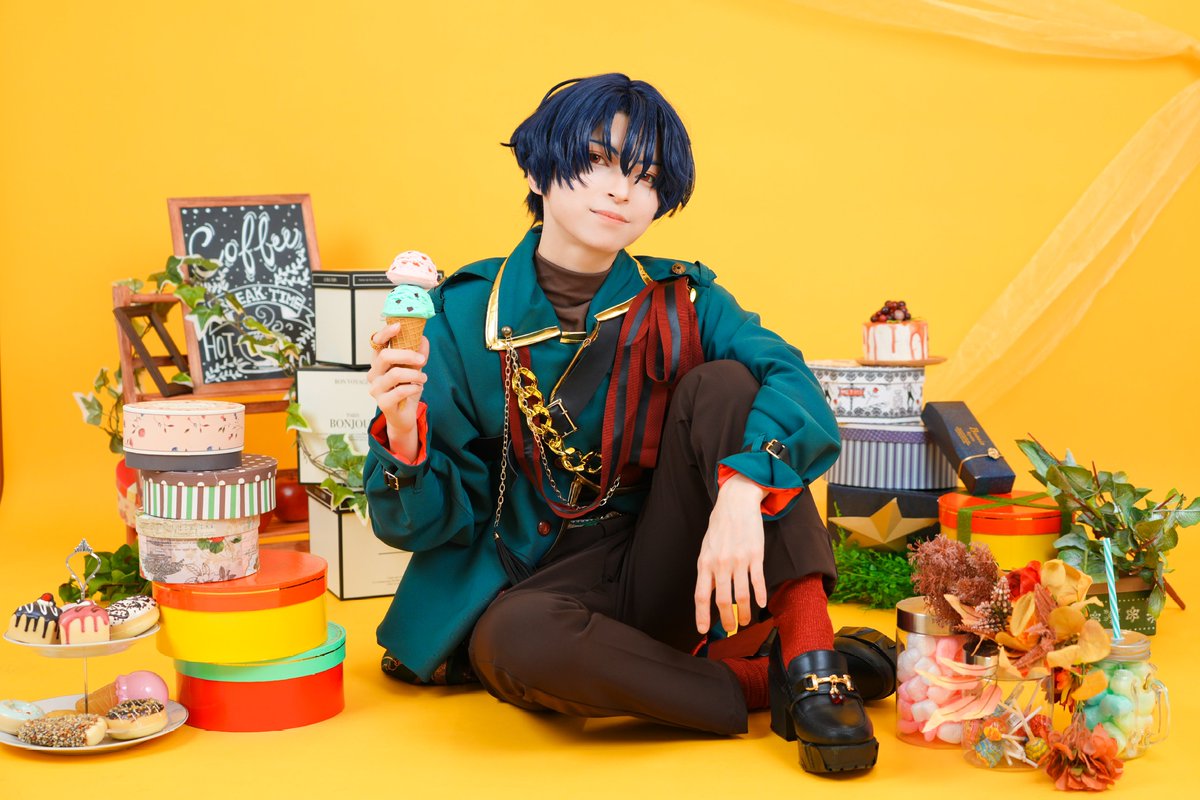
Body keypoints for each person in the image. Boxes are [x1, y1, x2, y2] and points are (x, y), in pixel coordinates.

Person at [364, 73, 895, 774]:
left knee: (728, 383)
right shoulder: (461, 315)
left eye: (645, 177)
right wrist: (403, 431)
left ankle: (815, 664)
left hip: (670, 559)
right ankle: (765, 683)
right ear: (536, 170)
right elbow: (423, 529)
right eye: (598, 160)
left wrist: (742, 492)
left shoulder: (686, 298)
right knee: (513, 643)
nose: (621, 191)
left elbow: (792, 381)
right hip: (536, 585)